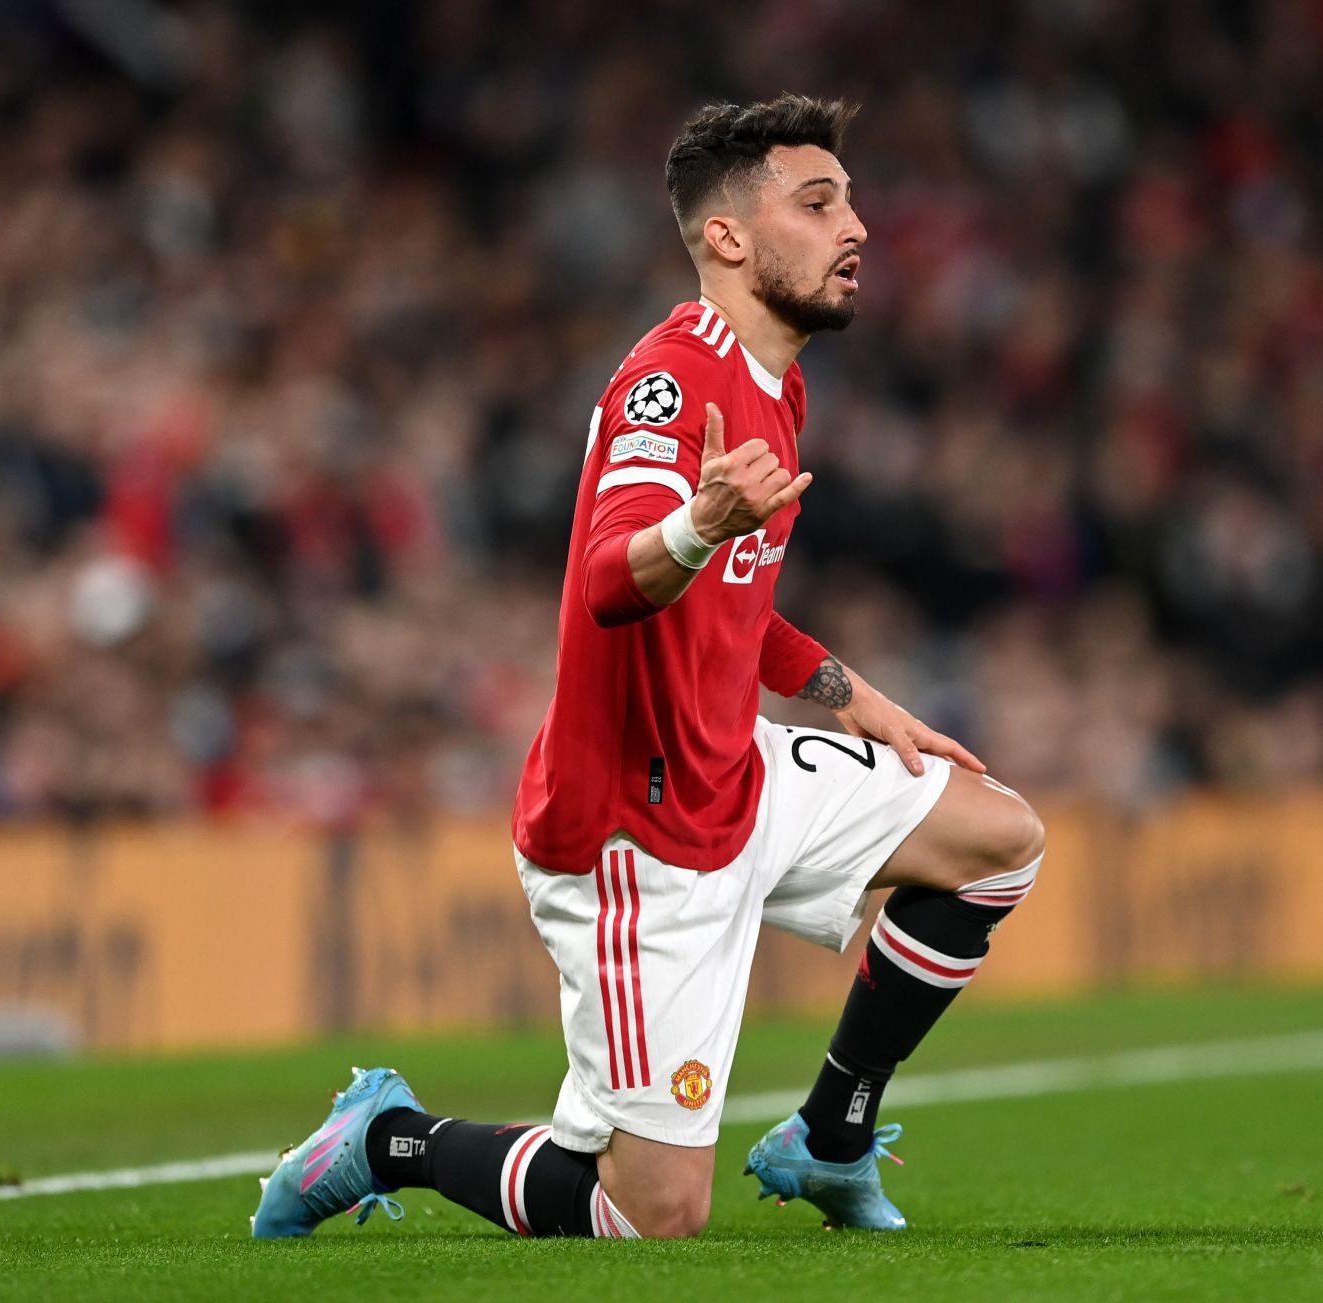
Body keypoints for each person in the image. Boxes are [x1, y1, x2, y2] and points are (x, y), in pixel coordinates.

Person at [252, 94, 1044, 1242]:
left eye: (853, 198)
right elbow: (610, 581)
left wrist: (866, 703)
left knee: (997, 840)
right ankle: (390, 1138)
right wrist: (704, 519)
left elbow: (738, 603)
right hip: (638, 828)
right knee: (653, 1215)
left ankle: (830, 1138)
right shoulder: (670, 383)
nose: (857, 226)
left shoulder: (780, 379)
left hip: (739, 774)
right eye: (819, 204)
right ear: (728, 238)